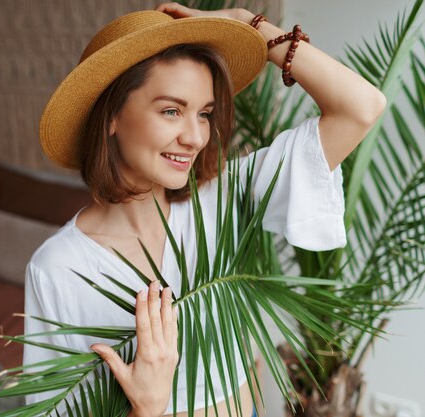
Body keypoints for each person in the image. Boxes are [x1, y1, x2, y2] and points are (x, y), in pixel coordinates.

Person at [24, 3, 386, 417]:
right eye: (172, 110)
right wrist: (148, 406)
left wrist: (248, 26)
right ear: (113, 116)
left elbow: (362, 106)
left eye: (205, 114)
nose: (196, 137)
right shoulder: (59, 269)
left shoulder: (226, 197)